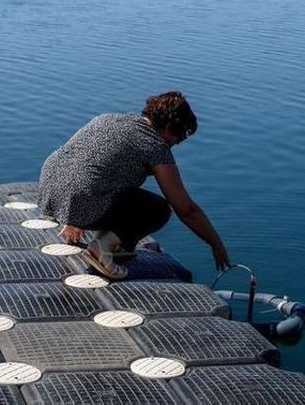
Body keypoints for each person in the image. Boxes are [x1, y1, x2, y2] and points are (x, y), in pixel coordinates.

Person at [38, 91, 232, 279]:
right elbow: (186, 209)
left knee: (118, 187)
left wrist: (73, 215)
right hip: (81, 195)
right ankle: (102, 247)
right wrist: (216, 244)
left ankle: (105, 236)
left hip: (50, 190)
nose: (173, 145)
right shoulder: (154, 145)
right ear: (169, 128)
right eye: (177, 139)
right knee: (158, 209)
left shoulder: (109, 118)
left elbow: (87, 165)